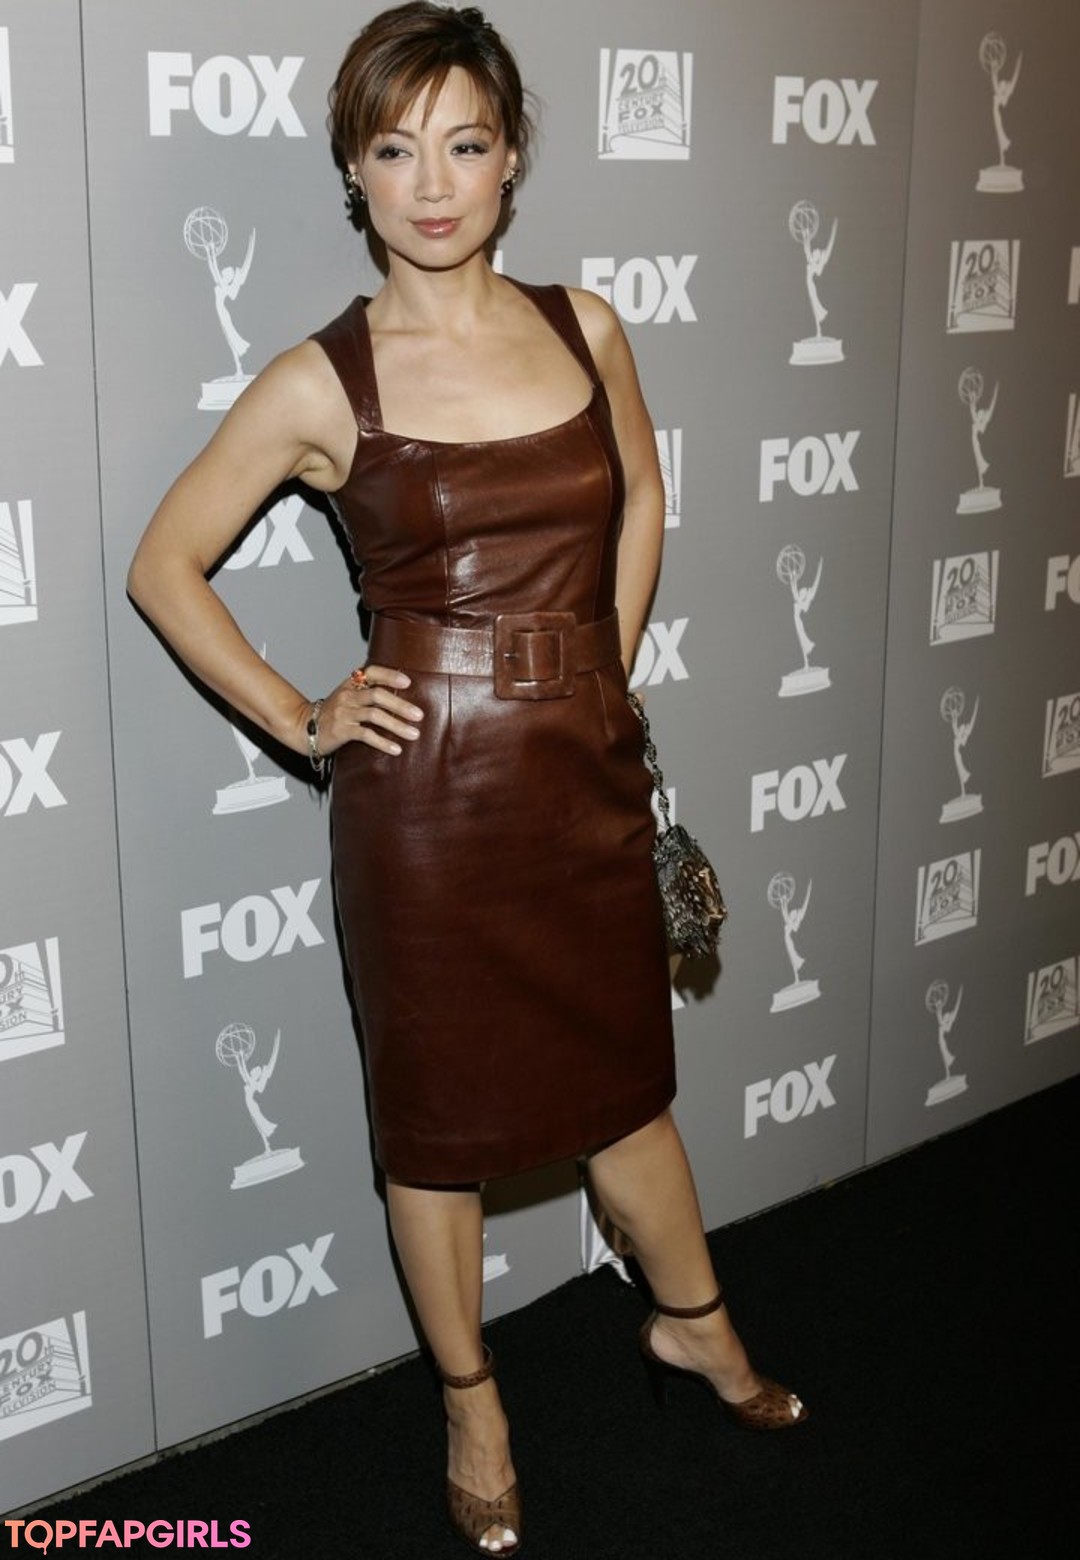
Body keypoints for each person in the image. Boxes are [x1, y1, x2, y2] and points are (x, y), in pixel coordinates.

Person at [128, 5, 807, 1552]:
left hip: (581, 771)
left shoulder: (589, 327)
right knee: (434, 1128)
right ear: (352, 173)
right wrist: (302, 715)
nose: (432, 184)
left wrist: (601, 667)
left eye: (465, 143)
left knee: (627, 1089)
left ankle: (693, 1323)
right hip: (426, 808)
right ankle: (471, 1401)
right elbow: (164, 565)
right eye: (393, 148)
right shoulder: (323, 382)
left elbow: (641, 502)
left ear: (512, 160)